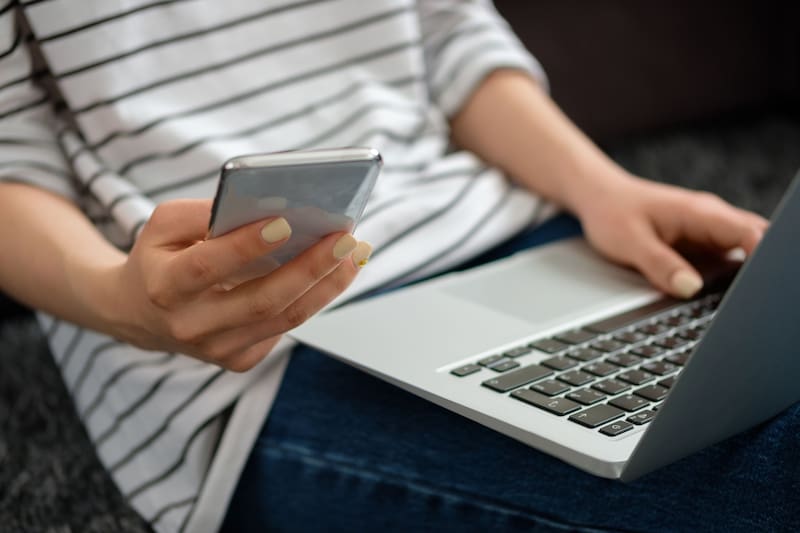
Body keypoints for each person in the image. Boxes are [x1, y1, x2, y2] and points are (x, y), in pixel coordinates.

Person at [0, 1, 786, 532]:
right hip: (250, 345)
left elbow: (448, 34)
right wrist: (124, 304)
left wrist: (603, 189)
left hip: (512, 229)